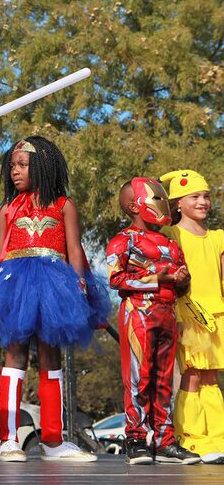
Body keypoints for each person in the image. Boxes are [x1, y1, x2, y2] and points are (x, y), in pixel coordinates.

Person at [0, 137, 109, 463]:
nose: (14, 172)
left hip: (54, 285)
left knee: (51, 356)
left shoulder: (63, 205)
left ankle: (53, 440)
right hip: (14, 286)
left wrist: (79, 290)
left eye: (22, 165)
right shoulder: (8, 208)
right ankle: (8, 439)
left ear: (42, 167)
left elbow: (74, 250)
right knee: (15, 354)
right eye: (12, 167)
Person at [106, 177, 200, 465]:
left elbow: (181, 284)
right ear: (134, 206)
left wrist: (182, 281)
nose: (164, 204)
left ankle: (164, 440)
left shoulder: (171, 244)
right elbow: (115, 279)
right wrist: (157, 278)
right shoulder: (123, 241)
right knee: (138, 377)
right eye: (157, 199)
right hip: (138, 314)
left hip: (167, 315)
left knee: (163, 380)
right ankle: (136, 439)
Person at [159, 170, 224, 463]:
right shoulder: (171, 235)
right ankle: (192, 439)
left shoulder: (218, 238)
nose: (203, 202)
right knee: (193, 375)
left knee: (212, 376)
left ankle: (216, 439)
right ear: (177, 204)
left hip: (217, 313)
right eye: (195, 197)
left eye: (206, 196)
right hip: (188, 311)